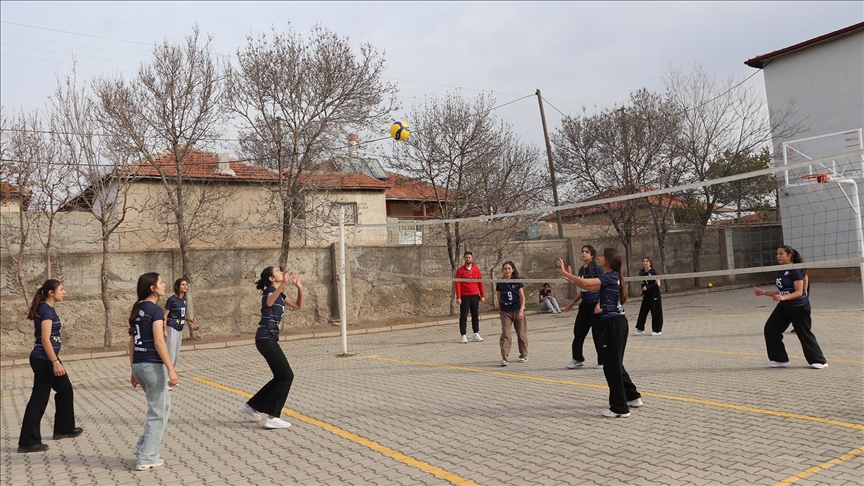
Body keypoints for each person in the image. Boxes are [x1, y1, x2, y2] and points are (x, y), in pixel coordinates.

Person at [558, 249, 642, 418]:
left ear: (609, 260)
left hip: (614, 324)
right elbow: (587, 286)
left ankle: (619, 408)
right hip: (616, 323)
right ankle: (632, 396)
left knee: (611, 367)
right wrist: (571, 277)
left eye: (603, 255)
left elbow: (587, 284)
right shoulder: (611, 277)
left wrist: (564, 273)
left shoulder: (611, 276)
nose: (600, 258)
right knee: (615, 363)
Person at [17, 279, 83, 453]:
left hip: (47, 359)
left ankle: (64, 429)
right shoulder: (46, 311)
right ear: (51, 293)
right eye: (61, 289)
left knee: (65, 389)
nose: (64, 291)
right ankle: (28, 442)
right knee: (39, 400)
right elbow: (45, 339)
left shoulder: (48, 309)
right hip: (44, 360)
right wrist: (55, 362)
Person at [238, 265, 304, 429]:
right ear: (271, 279)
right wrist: (283, 284)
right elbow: (269, 301)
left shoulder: (280, 294)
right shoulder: (269, 292)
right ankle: (273, 417)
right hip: (265, 339)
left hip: (269, 339)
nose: (282, 272)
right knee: (287, 376)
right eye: (278, 271)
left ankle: (251, 406)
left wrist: (300, 288)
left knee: (280, 377)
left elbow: (298, 306)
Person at [129, 272, 179, 471]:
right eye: (161, 282)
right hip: (151, 365)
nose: (164, 285)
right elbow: (159, 342)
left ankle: (143, 446)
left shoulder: (138, 309)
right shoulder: (155, 311)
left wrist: (133, 369)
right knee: (157, 412)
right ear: (152, 288)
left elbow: (132, 342)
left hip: (140, 365)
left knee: (163, 407)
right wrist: (171, 369)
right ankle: (147, 457)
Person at [753, 246, 827, 369]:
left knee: (803, 332)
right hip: (785, 306)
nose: (778, 256)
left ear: (789, 256)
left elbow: (799, 292)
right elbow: (782, 291)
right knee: (771, 329)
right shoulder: (782, 270)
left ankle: (819, 360)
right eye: (777, 253)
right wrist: (763, 292)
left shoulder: (795, 270)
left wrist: (784, 298)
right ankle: (779, 359)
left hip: (798, 306)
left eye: (781, 253)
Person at [563, 245, 604, 370]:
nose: (584, 254)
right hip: (584, 305)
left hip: (594, 305)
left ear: (592, 255)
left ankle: (602, 360)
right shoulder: (581, 270)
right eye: (582, 252)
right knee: (578, 332)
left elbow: (603, 288)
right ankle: (577, 359)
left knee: (597, 334)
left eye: (587, 252)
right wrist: (572, 302)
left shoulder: (597, 268)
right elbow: (583, 288)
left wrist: (599, 304)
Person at [163, 277, 196, 390]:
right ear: (177, 287)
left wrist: (188, 319)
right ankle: (165, 381)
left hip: (179, 328)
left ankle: (172, 378)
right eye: (182, 284)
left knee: (176, 355)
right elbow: (165, 316)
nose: (185, 286)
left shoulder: (184, 300)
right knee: (170, 354)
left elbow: (180, 315)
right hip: (171, 327)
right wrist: (164, 329)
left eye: (186, 284)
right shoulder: (171, 300)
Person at [496, 261, 527, 366]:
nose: (507, 271)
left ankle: (523, 354)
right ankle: (504, 357)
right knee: (506, 334)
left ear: (512, 270)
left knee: (521, 334)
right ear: (502, 270)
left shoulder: (517, 282)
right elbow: (499, 298)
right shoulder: (500, 283)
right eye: (505, 269)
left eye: (509, 268)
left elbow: (523, 298)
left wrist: (521, 310)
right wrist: (500, 311)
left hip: (517, 309)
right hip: (506, 311)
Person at [455, 251, 485, 343]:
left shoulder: (476, 269)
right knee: (463, 316)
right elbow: (458, 284)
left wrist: (482, 295)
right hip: (465, 296)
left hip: (475, 295)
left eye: (469, 257)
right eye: (466, 257)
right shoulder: (460, 270)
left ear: (472, 258)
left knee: (475, 315)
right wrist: (458, 297)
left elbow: (480, 282)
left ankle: (476, 333)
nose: (468, 259)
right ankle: (463, 335)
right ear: (464, 258)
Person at [634, 257, 664, 336]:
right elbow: (642, 283)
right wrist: (643, 292)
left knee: (655, 312)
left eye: (647, 261)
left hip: (654, 293)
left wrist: (648, 287)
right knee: (643, 311)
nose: (645, 263)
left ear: (650, 263)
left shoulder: (654, 272)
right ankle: (640, 328)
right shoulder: (642, 272)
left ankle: (657, 330)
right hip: (646, 294)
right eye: (643, 261)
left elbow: (658, 283)